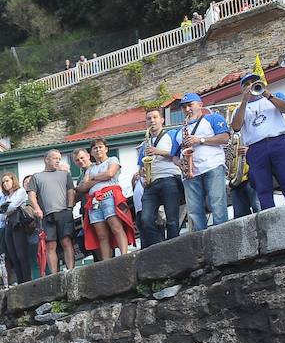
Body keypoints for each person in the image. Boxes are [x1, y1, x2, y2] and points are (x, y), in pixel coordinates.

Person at [231, 73, 285, 211]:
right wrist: (244, 101)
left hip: (279, 141)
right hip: (256, 148)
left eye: (254, 82)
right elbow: (236, 127)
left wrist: (267, 95)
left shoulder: (276, 95)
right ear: (242, 89)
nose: (251, 85)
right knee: (263, 188)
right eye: (247, 84)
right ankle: (270, 220)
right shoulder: (239, 109)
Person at [176, 92, 232, 230]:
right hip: (191, 173)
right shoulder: (180, 131)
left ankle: (223, 236)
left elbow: (225, 138)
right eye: (184, 107)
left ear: (200, 105)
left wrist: (200, 140)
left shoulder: (212, 118)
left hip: (212, 166)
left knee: (217, 205)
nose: (187, 109)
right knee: (194, 211)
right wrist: (179, 162)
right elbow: (174, 155)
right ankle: (201, 242)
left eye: (190, 105)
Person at [136, 109, 185, 246]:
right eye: (149, 118)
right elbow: (141, 167)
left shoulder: (171, 135)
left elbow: (177, 155)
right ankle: (161, 245)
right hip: (151, 183)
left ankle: (174, 247)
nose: (152, 121)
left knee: (172, 220)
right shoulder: (145, 143)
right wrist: (143, 175)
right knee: (145, 220)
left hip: (169, 179)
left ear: (162, 120)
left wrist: (158, 152)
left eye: (155, 117)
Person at [77, 139, 128, 260]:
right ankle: (106, 262)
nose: (98, 149)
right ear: (92, 153)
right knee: (101, 235)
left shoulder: (113, 160)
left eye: (100, 147)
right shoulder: (90, 168)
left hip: (110, 196)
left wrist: (93, 178)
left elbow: (110, 173)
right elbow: (83, 187)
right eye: (95, 148)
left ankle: (125, 256)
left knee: (116, 227)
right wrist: (101, 177)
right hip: (94, 201)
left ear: (106, 149)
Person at [26, 150, 75, 273]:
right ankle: (54, 274)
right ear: (46, 160)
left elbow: (70, 191)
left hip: (64, 211)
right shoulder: (36, 176)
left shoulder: (65, 174)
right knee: (50, 245)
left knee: (66, 241)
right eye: (54, 158)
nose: (58, 160)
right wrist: (37, 208)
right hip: (47, 215)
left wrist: (69, 207)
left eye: (59, 158)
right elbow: (31, 195)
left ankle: (71, 270)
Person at [0, 172, 36, 286]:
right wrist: (6, 209)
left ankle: (26, 281)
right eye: (3, 182)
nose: (5, 184)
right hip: (8, 224)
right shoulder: (5, 197)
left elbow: (12, 207)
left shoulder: (20, 191)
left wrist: (6, 209)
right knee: (12, 255)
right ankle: (20, 281)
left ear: (13, 181)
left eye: (7, 181)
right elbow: (1, 215)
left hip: (18, 223)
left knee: (21, 254)